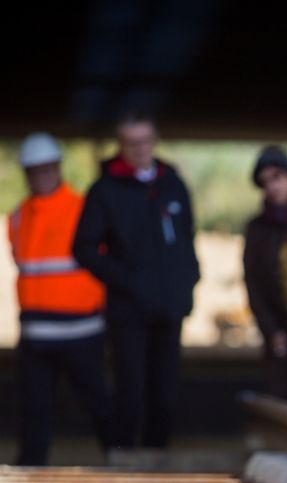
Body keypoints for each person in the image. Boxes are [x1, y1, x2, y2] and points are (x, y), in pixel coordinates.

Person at [73, 114, 199, 451]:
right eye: (131, 143)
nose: (139, 149)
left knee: (166, 392)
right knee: (130, 390)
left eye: (145, 141)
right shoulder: (105, 190)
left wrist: (189, 281)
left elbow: (187, 238)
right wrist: (127, 280)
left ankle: (157, 461)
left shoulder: (172, 183)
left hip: (170, 307)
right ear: (121, 145)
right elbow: (83, 248)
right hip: (129, 311)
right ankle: (123, 463)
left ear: (155, 141)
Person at [9, 133, 112, 465]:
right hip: (36, 336)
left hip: (82, 332)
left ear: (58, 168)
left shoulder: (83, 208)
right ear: (26, 173)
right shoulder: (18, 217)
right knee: (34, 412)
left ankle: (124, 463)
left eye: (47, 169)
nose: (41, 176)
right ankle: (29, 477)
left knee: (99, 405)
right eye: (34, 170)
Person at [243, 145, 287, 401]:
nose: (272, 186)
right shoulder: (258, 229)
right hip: (282, 331)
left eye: (277, 177)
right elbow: (253, 283)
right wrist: (271, 330)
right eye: (264, 182)